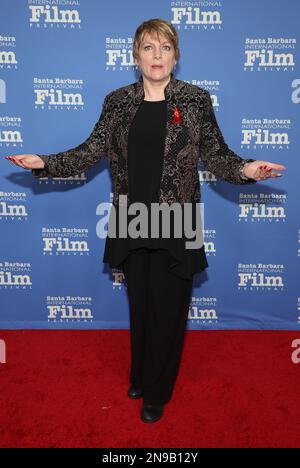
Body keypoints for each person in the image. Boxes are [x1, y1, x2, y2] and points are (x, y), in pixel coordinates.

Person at [5, 18, 285, 424]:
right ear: (135, 56)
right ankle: (140, 374)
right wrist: (46, 162)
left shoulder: (195, 101)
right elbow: (90, 150)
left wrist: (248, 169)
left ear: (176, 55)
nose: (157, 56)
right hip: (132, 217)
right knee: (142, 305)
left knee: (169, 310)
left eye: (165, 48)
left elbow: (218, 155)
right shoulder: (117, 102)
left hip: (177, 219)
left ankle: (157, 390)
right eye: (149, 48)